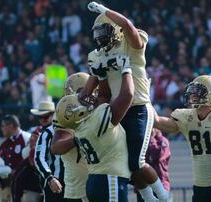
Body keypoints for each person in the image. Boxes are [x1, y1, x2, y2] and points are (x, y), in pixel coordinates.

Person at [81, 2, 170, 201]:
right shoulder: (96, 55)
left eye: (105, 31)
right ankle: (150, 198)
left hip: (138, 106)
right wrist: (82, 96)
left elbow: (129, 26)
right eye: (98, 34)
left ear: (116, 30)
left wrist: (105, 11)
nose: (101, 38)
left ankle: (164, 198)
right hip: (116, 110)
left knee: (136, 161)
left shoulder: (131, 41)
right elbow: (90, 85)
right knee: (124, 163)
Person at [55, 57, 133, 202]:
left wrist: (101, 76)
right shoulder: (96, 120)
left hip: (95, 181)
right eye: (81, 99)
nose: (87, 97)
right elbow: (127, 96)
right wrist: (126, 70)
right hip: (110, 180)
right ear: (78, 110)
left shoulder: (80, 127)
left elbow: (104, 96)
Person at [51, 72, 89, 202]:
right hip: (77, 188)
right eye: (83, 91)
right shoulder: (68, 111)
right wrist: (79, 140)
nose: (90, 94)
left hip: (100, 179)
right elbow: (56, 147)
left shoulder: (99, 107)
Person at [33, 101, 65, 202]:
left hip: (75, 182)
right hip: (56, 182)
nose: (42, 120)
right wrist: (50, 178)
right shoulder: (46, 133)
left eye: (46, 116)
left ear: (54, 114)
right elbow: (39, 158)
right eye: (40, 117)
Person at [0, 114, 31, 202]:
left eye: (3, 126)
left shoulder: (27, 138)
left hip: (26, 186)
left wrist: (16, 171)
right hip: (9, 187)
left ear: (11, 125)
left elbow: (32, 161)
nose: (1, 128)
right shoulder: (4, 145)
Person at [136, 128, 171, 202]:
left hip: (161, 184)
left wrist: (150, 138)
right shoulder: (142, 140)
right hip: (144, 185)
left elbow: (157, 156)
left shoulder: (164, 141)